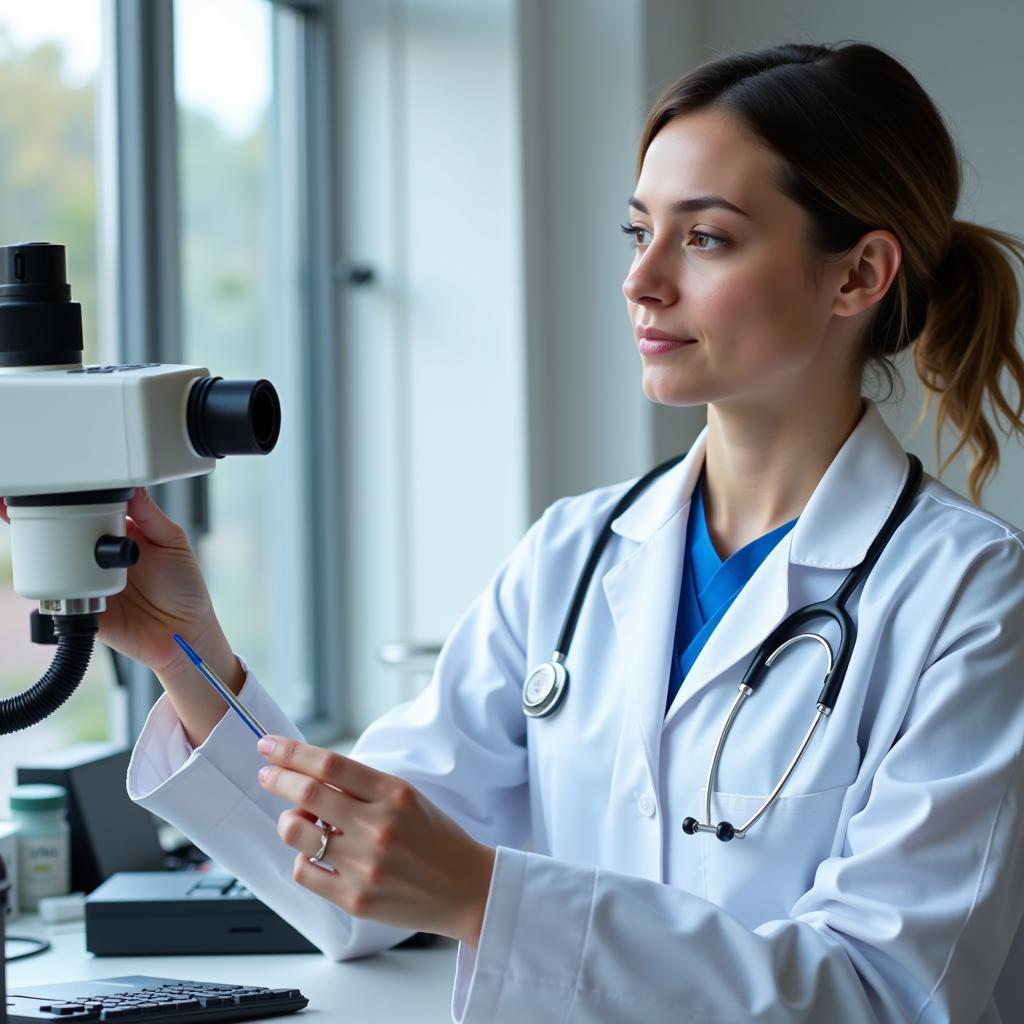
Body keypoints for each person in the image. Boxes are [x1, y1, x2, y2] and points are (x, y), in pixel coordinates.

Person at [6, 39, 1024, 1022]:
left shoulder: (970, 597)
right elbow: (338, 880)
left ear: (857, 275)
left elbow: (885, 997)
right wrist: (186, 648)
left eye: (704, 237)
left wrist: (485, 895)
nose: (642, 280)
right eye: (639, 232)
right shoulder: (575, 554)